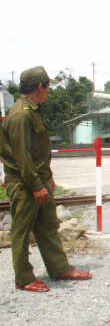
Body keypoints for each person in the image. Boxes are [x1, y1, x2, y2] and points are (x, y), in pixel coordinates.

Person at [0, 66, 92, 293]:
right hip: (25, 182)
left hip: (38, 180)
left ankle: (59, 269)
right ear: (40, 86)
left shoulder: (33, 110)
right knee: (21, 231)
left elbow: (38, 151)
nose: (49, 89)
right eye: (48, 85)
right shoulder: (21, 114)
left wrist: (47, 178)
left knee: (47, 226)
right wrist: (35, 186)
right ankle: (23, 278)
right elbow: (22, 157)